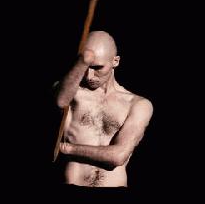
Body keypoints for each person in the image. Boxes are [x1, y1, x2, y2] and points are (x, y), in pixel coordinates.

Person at [53, 31, 153, 187]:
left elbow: (117, 156)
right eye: (86, 67)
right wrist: (82, 62)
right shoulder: (74, 93)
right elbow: (60, 101)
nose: (89, 76)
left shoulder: (137, 104)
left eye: (97, 67)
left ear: (115, 61)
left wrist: (67, 149)